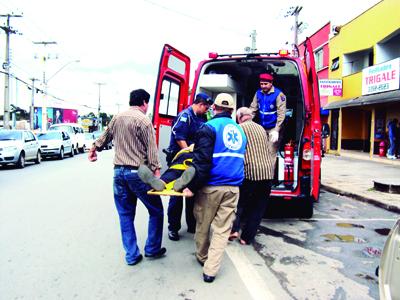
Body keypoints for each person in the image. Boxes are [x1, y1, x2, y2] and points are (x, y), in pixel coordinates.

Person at [88, 89, 166, 266]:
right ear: (144, 103)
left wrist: (94, 148)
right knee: (156, 210)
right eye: (148, 104)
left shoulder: (117, 117)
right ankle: (152, 248)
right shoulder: (145, 121)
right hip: (138, 174)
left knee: (125, 215)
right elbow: (152, 151)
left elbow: (104, 137)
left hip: (118, 174)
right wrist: (157, 173)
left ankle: (132, 255)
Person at [183, 93, 247, 283]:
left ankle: (203, 258)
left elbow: (201, 162)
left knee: (203, 224)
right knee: (222, 230)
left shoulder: (208, 127)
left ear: (214, 108)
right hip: (233, 188)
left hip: (211, 187)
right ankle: (210, 270)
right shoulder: (240, 131)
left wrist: (192, 187)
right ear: (231, 111)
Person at [166, 92, 213, 241]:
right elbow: (179, 136)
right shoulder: (185, 115)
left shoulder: (202, 117)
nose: (207, 110)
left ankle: (191, 225)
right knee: (177, 194)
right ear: (200, 104)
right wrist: (188, 153)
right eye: (206, 107)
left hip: (194, 160)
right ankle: (173, 228)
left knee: (191, 191)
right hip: (180, 159)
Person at [230, 107, 275, 245]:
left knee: (240, 202)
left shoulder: (239, 128)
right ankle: (247, 238)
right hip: (267, 172)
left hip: (251, 171)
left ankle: (234, 230)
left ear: (239, 117)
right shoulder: (261, 128)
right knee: (258, 207)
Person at [249, 73, 287, 155]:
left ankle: (270, 168)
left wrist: (276, 130)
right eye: (261, 84)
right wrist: (247, 122)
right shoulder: (258, 93)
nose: (263, 86)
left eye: (265, 84)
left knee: (271, 152)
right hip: (262, 128)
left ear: (271, 83)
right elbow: (253, 109)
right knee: (260, 151)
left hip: (274, 128)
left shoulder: (279, 94)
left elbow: (281, 114)